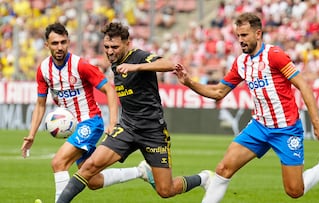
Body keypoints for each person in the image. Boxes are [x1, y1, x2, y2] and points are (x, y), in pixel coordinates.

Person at [174, 12, 319, 203]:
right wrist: (190, 83)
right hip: (259, 126)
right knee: (223, 169)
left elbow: (303, 85)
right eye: (238, 36)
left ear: (258, 34)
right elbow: (218, 92)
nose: (240, 41)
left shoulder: (274, 55)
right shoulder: (241, 62)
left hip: (286, 129)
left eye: (244, 35)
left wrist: (316, 121)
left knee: (294, 191)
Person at [56, 22, 212, 203]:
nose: (110, 51)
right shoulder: (116, 63)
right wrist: (114, 122)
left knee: (165, 190)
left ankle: (204, 178)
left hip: (153, 131)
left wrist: (135, 67)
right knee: (89, 168)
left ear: (127, 44)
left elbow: (169, 64)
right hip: (127, 129)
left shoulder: (137, 57)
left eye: (115, 47)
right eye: (106, 47)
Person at [20, 22, 139, 203]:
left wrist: (113, 122)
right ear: (47, 45)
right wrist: (31, 135)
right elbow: (40, 104)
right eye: (55, 43)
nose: (59, 47)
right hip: (74, 126)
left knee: (58, 163)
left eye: (63, 42)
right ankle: (140, 171)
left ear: (68, 42)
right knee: (92, 180)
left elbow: (109, 89)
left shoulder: (80, 65)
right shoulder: (43, 70)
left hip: (90, 122)